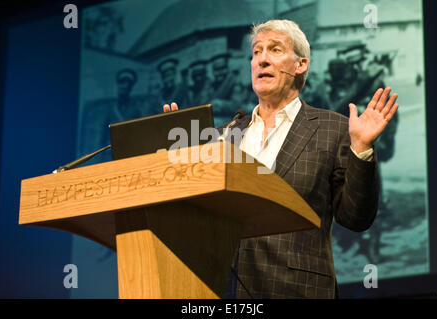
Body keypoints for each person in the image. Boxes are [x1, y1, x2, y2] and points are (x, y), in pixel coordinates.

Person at [163, 19, 399, 299]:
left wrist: (360, 148)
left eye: (274, 50)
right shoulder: (220, 137)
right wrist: (177, 162)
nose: (261, 59)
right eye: (256, 52)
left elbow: (356, 217)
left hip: (296, 291)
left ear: (301, 64)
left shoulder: (332, 129)